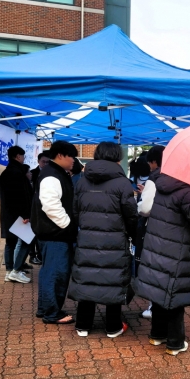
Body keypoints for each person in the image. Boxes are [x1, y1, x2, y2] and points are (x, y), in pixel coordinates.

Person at [134, 175, 190, 356]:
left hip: (158, 247)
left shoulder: (162, 187)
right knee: (175, 296)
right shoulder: (187, 193)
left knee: (159, 290)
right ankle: (175, 343)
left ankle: (157, 335)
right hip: (177, 249)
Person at [69, 142, 138, 338]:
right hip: (115, 239)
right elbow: (131, 214)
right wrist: (132, 234)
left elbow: (75, 211)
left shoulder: (82, 180)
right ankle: (113, 326)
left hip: (87, 237)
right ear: (118, 158)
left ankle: (83, 325)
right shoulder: (122, 182)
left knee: (87, 276)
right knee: (113, 279)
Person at [31, 141, 78, 324]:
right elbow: (50, 205)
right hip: (55, 234)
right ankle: (52, 312)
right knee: (56, 274)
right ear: (60, 155)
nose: (73, 160)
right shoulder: (52, 175)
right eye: (71, 156)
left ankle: (46, 308)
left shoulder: (54, 172)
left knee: (49, 273)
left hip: (52, 234)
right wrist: (67, 224)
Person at [135, 145, 165, 319]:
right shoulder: (179, 177)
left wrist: (141, 201)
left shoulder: (154, 179)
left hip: (154, 230)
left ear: (154, 162)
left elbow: (146, 208)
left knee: (153, 270)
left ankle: (154, 307)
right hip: (174, 233)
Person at [0, 146, 34, 284]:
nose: (23, 158)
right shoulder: (17, 173)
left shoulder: (5, 173)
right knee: (27, 240)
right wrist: (26, 214)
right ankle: (16, 270)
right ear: (18, 156)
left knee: (10, 243)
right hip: (19, 215)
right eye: (23, 156)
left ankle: (9, 271)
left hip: (7, 214)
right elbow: (21, 197)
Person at [28, 152, 50, 265]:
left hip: (47, 208)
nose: (45, 164)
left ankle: (41, 254)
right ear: (38, 161)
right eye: (43, 162)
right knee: (32, 233)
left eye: (48, 162)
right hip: (34, 208)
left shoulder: (52, 174)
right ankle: (32, 255)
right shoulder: (32, 174)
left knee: (43, 233)